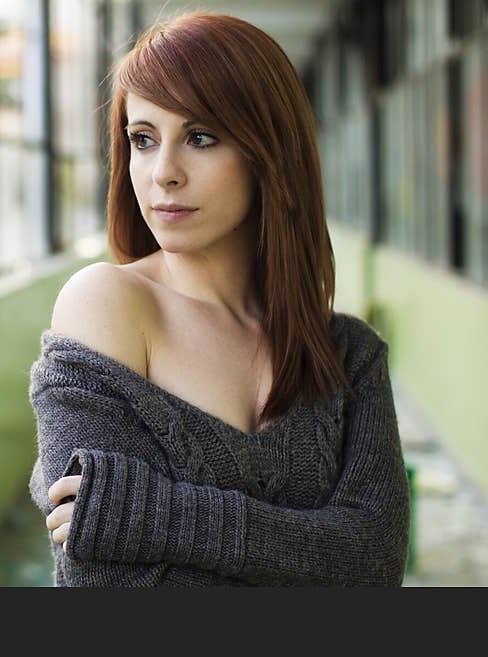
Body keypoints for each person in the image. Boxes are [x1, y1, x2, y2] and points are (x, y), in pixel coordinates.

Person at [27, 11, 410, 586]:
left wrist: (156, 514)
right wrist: (313, 548)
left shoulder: (349, 356)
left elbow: (374, 564)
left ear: (268, 153)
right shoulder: (107, 305)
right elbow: (105, 586)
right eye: (142, 139)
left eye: (200, 137)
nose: (164, 174)